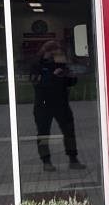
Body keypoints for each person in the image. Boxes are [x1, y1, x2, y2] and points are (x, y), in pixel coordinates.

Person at [31, 41, 84, 171]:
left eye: (60, 53)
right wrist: (53, 76)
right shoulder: (37, 65)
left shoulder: (61, 65)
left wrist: (69, 76)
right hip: (43, 104)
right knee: (43, 134)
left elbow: (70, 82)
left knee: (69, 132)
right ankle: (46, 161)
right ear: (48, 52)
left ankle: (73, 159)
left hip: (61, 103)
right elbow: (36, 83)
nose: (59, 56)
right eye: (57, 53)